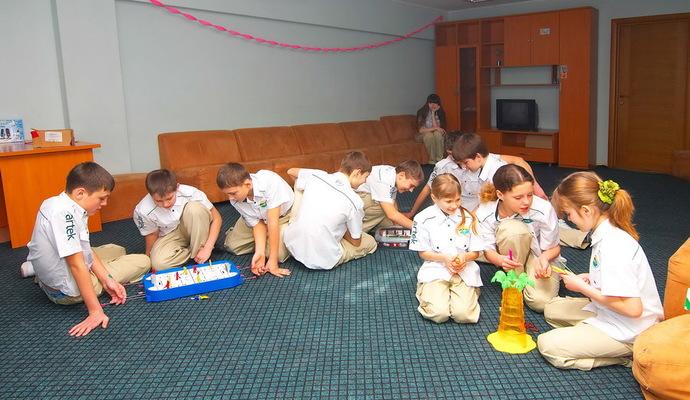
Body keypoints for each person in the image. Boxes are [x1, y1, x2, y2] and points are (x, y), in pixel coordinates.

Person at [537, 172, 663, 370]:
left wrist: (583, 288)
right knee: (552, 310)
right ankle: (589, 336)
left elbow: (633, 309)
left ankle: (628, 355)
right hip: (609, 313)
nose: (570, 220)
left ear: (586, 211)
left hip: (629, 330)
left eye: (569, 214)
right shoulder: (605, 234)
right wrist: (592, 278)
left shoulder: (614, 246)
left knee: (548, 345)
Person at [25, 162, 151, 337]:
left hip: (49, 270)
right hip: (63, 292)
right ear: (80, 193)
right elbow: (77, 265)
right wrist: (95, 311)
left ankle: (34, 269)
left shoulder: (55, 202)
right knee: (143, 261)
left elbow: (84, 249)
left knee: (117, 249)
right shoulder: (65, 216)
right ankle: (49, 279)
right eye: (102, 198)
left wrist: (107, 278)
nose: (105, 203)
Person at [453, 132, 587, 248]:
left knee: (540, 230)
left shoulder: (495, 171)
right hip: (510, 212)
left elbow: (489, 203)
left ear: (478, 157)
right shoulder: (489, 161)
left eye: (466, 162)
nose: (464, 166)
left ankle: (577, 235)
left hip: (517, 214)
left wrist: (468, 221)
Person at [475, 164, 561, 312]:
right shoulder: (485, 213)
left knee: (541, 303)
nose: (526, 202)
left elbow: (553, 248)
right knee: (512, 229)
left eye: (530, 194)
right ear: (500, 195)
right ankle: (515, 281)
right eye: (518, 197)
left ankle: (528, 276)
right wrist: (500, 260)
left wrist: (544, 259)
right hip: (509, 253)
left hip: (538, 255)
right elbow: (488, 251)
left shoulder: (544, 209)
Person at [409, 174, 485, 323]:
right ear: (434, 198)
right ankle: (427, 289)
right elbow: (422, 252)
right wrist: (444, 258)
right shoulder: (422, 219)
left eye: (458, 199)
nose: (454, 205)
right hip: (436, 269)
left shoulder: (469, 218)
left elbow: (476, 251)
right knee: (438, 314)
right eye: (448, 201)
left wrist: (465, 257)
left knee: (464, 315)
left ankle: (468, 292)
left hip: (464, 270)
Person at [284, 151, 377, 270]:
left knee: (300, 185)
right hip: (321, 259)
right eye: (366, 177)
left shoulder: (316, 175)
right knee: (370, 242)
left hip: (291, 243)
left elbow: (291, 171)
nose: (365, 181)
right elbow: (356, 242)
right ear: (357, 172)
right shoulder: (355, 201)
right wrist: (341, 226)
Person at [133, 169, 222, 270]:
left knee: (194, 208)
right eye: (158, 201)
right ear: (150, 194)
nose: (165, 204)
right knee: (159, 264)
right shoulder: (142, 210)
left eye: (169, 198)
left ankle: (203, 250)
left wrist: (208, 248)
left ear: (177, 187)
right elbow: (152, 235)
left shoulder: (191, 192)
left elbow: (216, 218)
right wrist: (149, 258)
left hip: (195, 226)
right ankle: (195, 250)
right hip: (169, 235)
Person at [216, 163, 293, 278]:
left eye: (233, 193)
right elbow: (258, 224)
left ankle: (288, 230)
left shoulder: (269, 181)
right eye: (227, 194)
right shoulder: (235, 200)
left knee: (278, 256)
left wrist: (273, 260)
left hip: (281, 216)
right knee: (232, 246)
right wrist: (259, 252)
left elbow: (272, 222)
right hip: (259, 217)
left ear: (247, 184)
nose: (230, 198)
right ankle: (265, 242)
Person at [404, 131, 481, 218]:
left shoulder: (476, 162)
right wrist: (412, 212)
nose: (453, 157)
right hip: (451, 207)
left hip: (476, 207)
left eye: (454, 153)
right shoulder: (442, 166)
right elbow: (428, 188)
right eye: (449, 154)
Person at [356, 159, 424, 232]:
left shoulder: (394, 175)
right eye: (411, 185)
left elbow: (393, 202)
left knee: (391, 225)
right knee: (381, 206)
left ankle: (373, 225)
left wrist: (397, 227)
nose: (411, 190)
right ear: (401, 175)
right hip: (355, 199)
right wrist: (418, 228)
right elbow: (391, 214)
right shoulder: (382, 181)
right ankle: (356, 232)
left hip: (365, 200)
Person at [416, 93, 447, 165]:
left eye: (435, 103)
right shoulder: (421, 112)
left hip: (434, 133)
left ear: (438, 104)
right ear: (427, 103)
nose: (433, 105)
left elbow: (438, 128)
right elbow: (421, 130)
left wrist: (433, 113)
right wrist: (435, 128)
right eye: (430, 103)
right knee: (429, 135)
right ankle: (432, 161)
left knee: (437, 134)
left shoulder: (439, 113)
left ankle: (439, 160)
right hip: (422, 135)